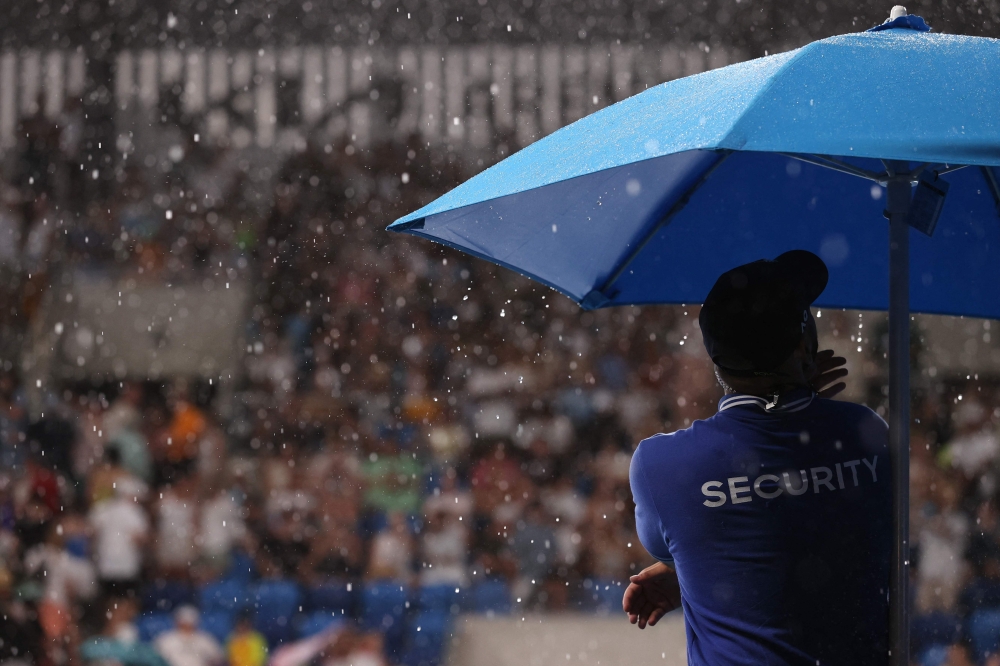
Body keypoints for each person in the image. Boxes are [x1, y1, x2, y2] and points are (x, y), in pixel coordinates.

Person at [624, 251, 891, 664]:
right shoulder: (864, 433)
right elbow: (828, 539)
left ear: (715, 358)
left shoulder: (660, 464)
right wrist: (804, 400)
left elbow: (727, 537)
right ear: (805, 344)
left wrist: (697, 578)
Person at [154, 606, 224, 666]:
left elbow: (217, 658)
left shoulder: (205, 639)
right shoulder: (165, 639)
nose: (186, 624)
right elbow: (156, 659)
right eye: (184, 622)